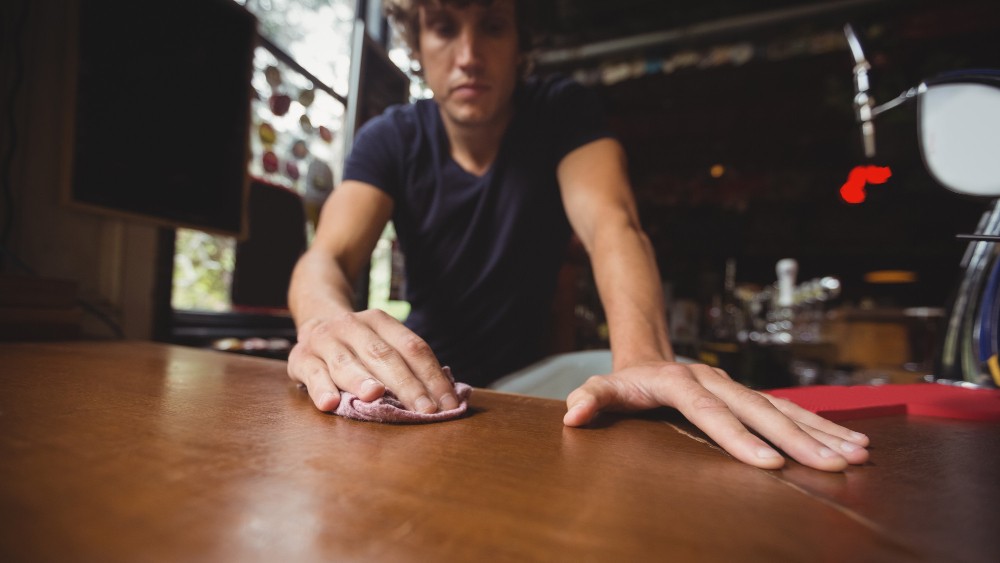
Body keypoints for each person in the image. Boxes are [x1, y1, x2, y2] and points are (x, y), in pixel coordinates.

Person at [287, 0, 870, 472]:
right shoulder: (392, 138)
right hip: (426, 382)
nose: (468, 55)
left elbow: (612, 222)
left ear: (521, 46)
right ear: (418, 45)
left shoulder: (560, 112)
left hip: (535, 382)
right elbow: (328, 257)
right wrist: (323, 324)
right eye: (443, 28)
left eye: (492, 26)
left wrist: (643, 359)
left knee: (676, 392)